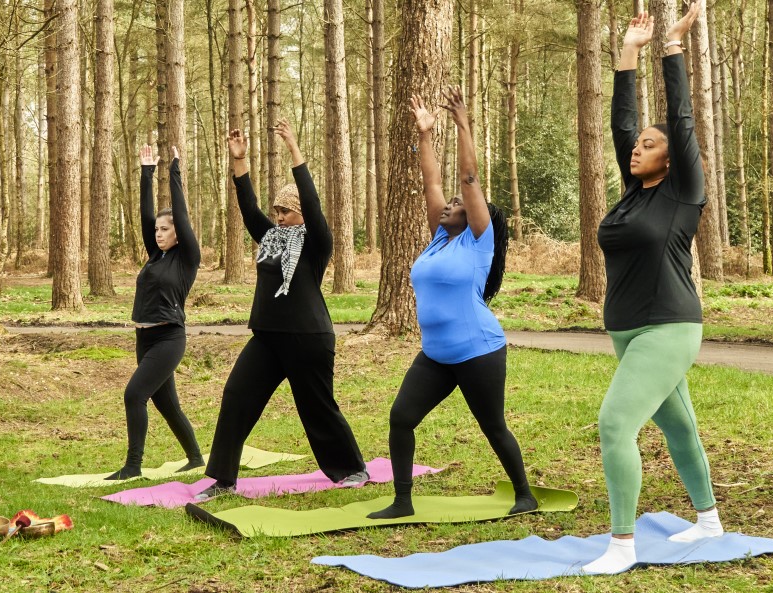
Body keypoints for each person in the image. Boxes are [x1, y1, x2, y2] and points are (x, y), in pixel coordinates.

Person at [581, 3, 724, 574]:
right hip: (627, 327)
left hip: (669, 325)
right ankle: (709, 519)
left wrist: (671, 49)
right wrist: (629, 51)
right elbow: (622, 122)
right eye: (636, 145)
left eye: (648, 144)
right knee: (679, 424)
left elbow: (682, 121)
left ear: (670, 158)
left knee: (616, 423)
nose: (636, 148)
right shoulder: (634, 192)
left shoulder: (682, 191)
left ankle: (621, 545)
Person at [367, 87, 537, 520]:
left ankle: (525, 495)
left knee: (492, 427)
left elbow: (467, 180)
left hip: (478, 350)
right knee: (402, 417)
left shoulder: (480, 243)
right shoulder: (440, 239)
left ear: (476, 216)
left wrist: (463, 126)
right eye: (450, 205)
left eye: (459, 205)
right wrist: (425, 135)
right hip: (436, 356)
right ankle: (403, 501)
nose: (450, 205)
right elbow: (433, 183)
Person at [194, 121, 368, 500]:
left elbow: (313, 200)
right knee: (237, 396)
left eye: (286, 211)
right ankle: (223, 479)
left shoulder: (317, 241)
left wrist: (294, 150)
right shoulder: (270, 238)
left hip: (308, 337)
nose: (278, 217)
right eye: (277, 211)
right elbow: (247, 208)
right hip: (268, 337)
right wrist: (239, 162)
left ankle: (352, 468)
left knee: (316, 406)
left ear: (302, 214)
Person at [106, 144, 203, 480]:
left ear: (179, 233)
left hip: (168, 337)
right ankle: (195, 458)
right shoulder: (156, 255)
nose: (159, 234)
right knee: (166, 404)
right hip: (143, 337)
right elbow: (145, 217)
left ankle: (133, 466)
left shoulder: (187, 256)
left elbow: (182, 214)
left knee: (134, 394)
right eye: (158, 230)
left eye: (166, 229)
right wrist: (147, 172)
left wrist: (174, 170)